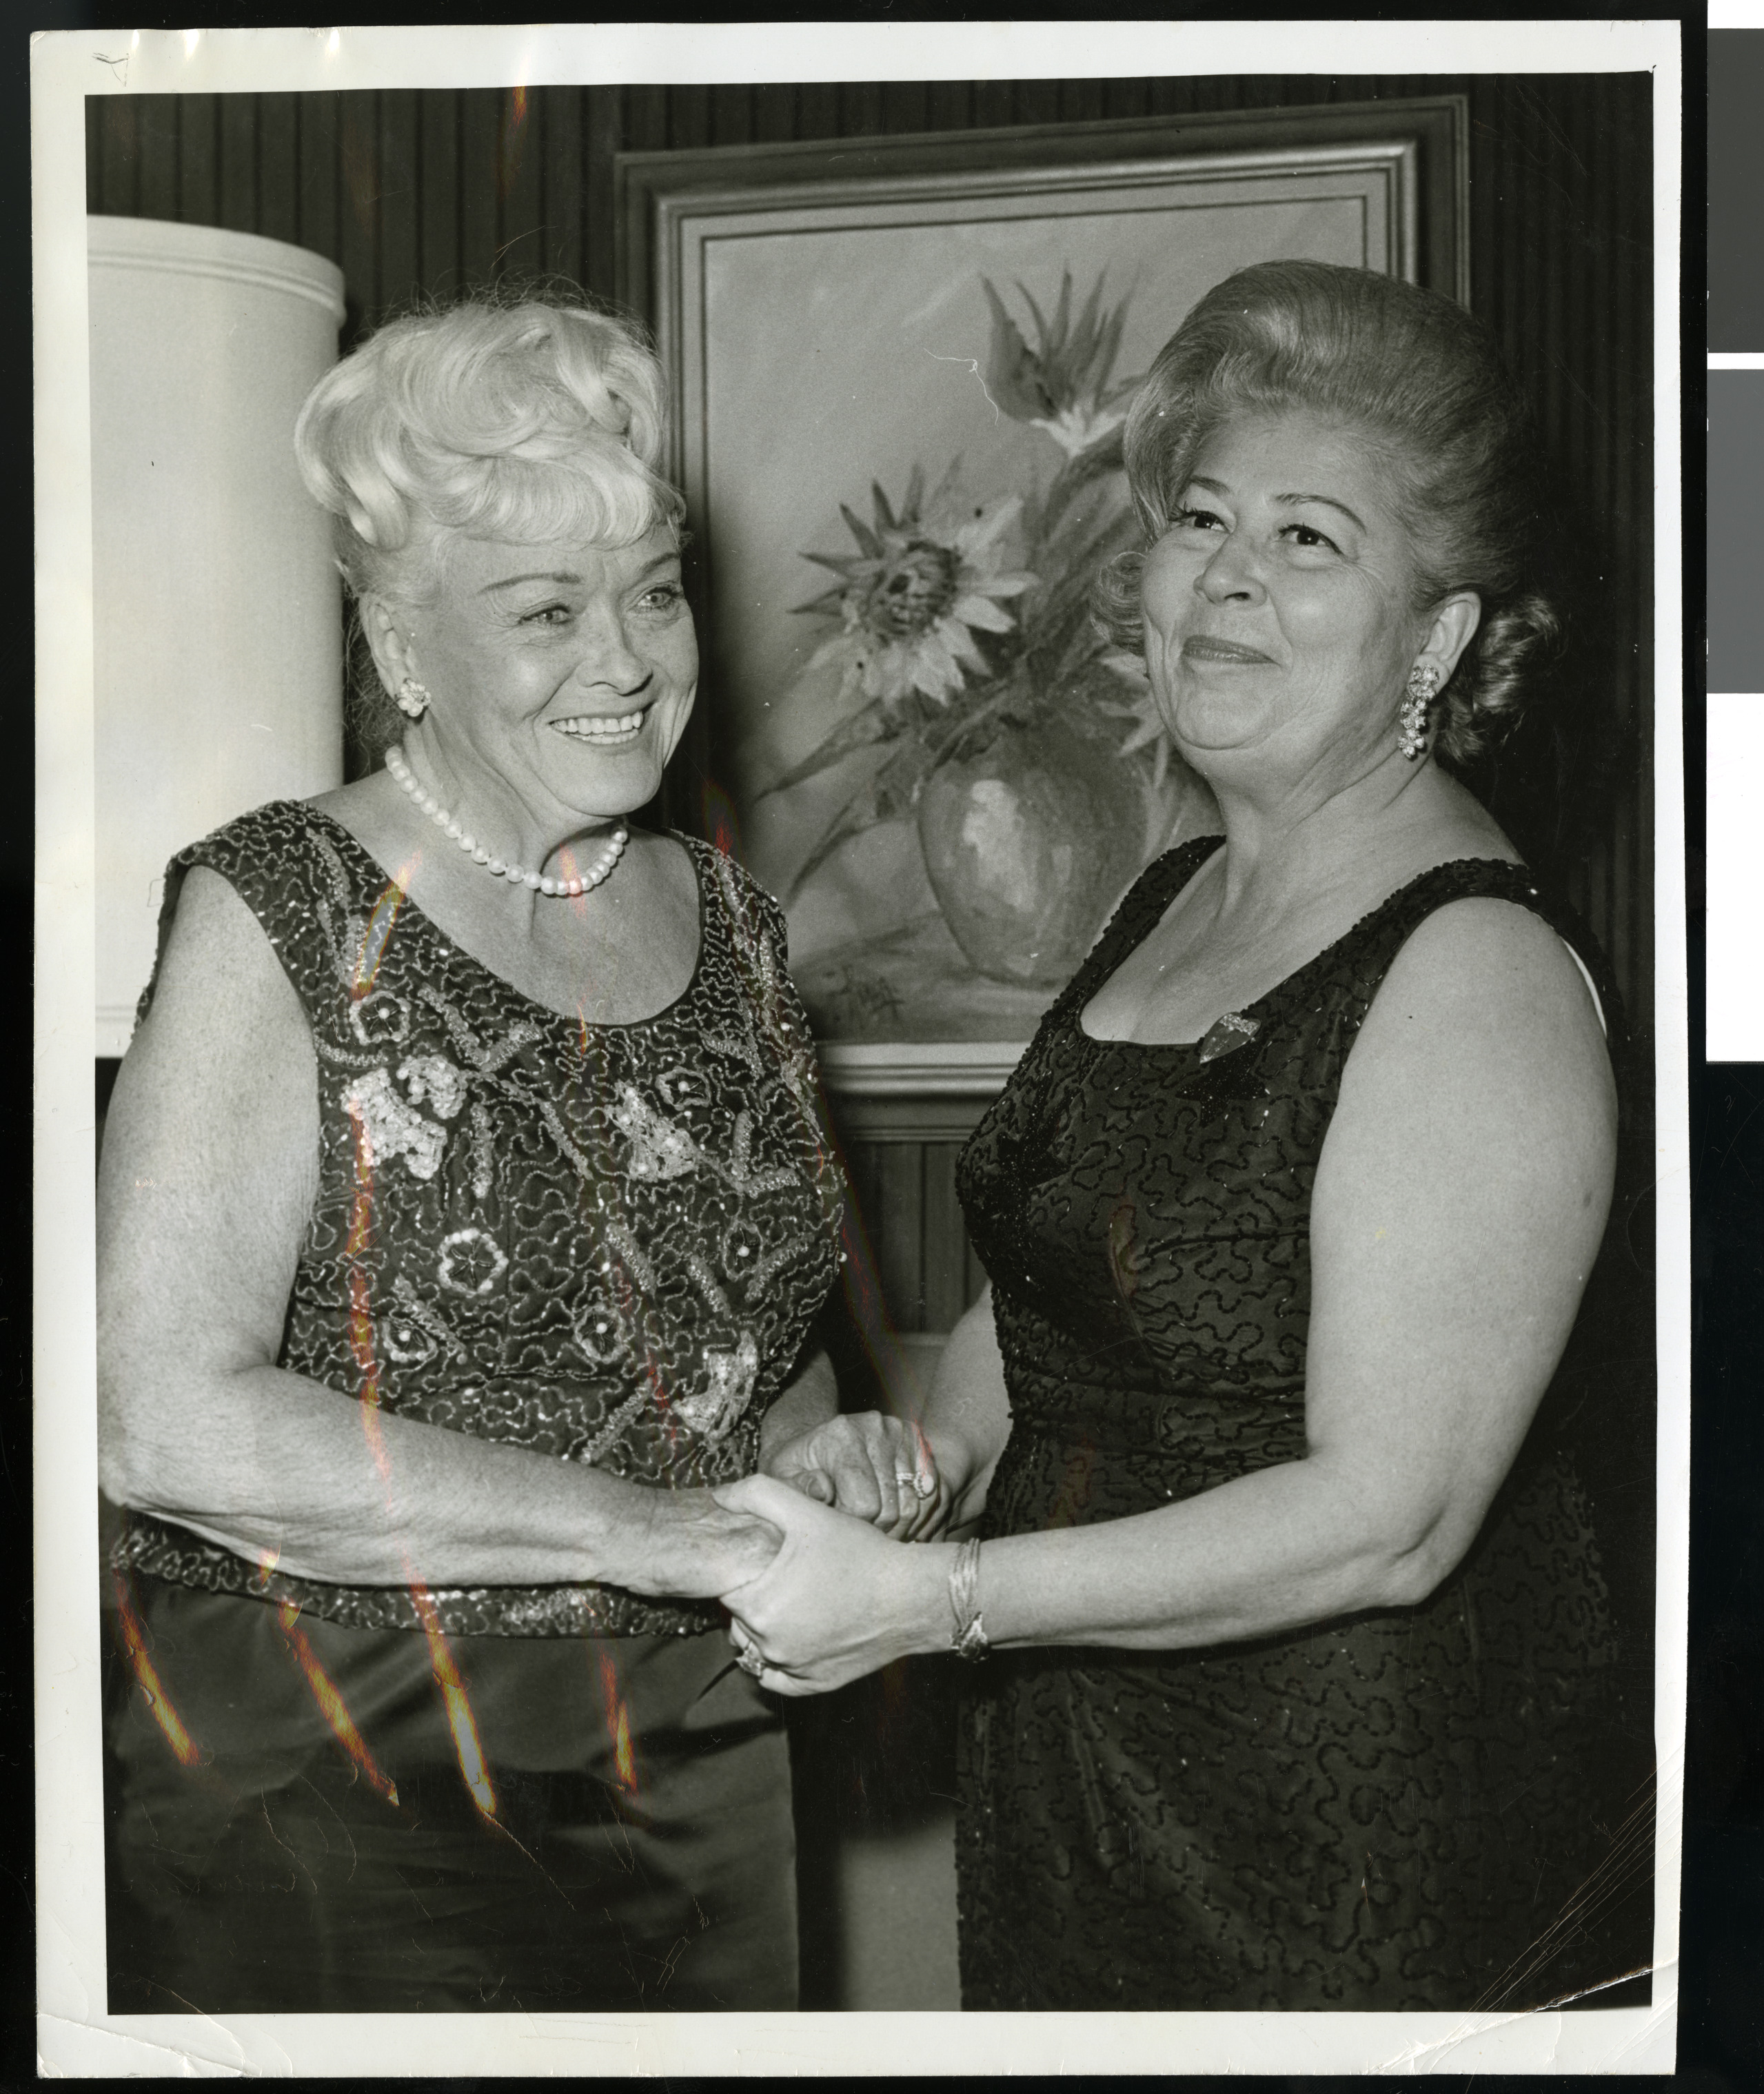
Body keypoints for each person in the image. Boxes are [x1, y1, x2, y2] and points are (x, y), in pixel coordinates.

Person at [713, 260, 1655, 2011]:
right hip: (1082, 1781)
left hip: (1355, 1837)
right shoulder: (1168, 896)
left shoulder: (1474, 967)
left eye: (1309, 540)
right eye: (1201, 517)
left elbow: (1390, 1515)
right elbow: (1060, 1291)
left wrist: (935, 1608)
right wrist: (905, 1478)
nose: (1224, 577)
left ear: (1435, 639)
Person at [96, 288, 944, 2014]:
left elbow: (741, 1346)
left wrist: (817, 1457)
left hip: (698, 1742)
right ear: (403, 646)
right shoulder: (283, 908)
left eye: (650, 589)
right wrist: (663, 1532)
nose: (627, 659)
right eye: (545, 610)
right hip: (336, 1763)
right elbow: (160, 1417)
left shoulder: (727, 919)